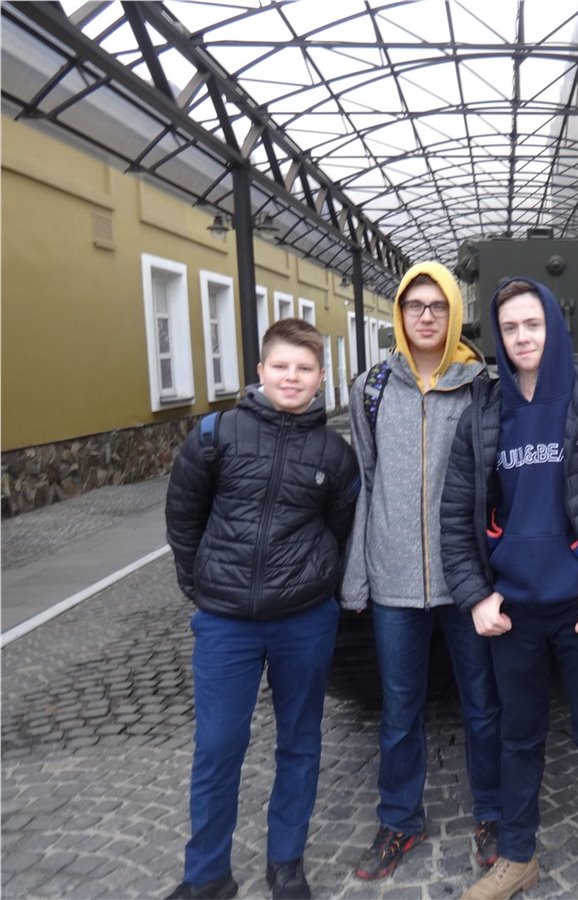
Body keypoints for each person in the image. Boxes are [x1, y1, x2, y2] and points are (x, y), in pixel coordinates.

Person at [441, 277, 578, 900]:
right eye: (509, 328)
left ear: (553, 326)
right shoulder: (484, 411)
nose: (522, 337)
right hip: (512, 609)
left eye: (531, 324)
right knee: (518, 739)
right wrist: (476, 596)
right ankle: (517, 857)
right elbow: (455, 514)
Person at [164, 318, 360, 900]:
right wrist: (200, 584)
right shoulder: (215, 435)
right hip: (226, 621)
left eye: (304, 368)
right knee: (218, 745)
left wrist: (315, 581)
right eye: (281, 366)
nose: (291, 377)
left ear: (320, 376)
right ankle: (207, 874)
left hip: (303, 618)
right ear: (260, 371)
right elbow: (183, 516)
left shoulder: (334, 453)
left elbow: (339, 527)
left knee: (299, 740)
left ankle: (287, 863)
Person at [340, 263, 502, 880]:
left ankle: (492, 813)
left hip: (467, 577)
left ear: (455, 313)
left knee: (482, 704)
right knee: (399, 709)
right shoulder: (372, 388)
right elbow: (369, 480)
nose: (427, 316)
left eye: (438, 305)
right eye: (416, 306)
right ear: (400, 315)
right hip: (395, 573)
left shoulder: (480, 385)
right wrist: (358, 575)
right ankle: (399, 820)